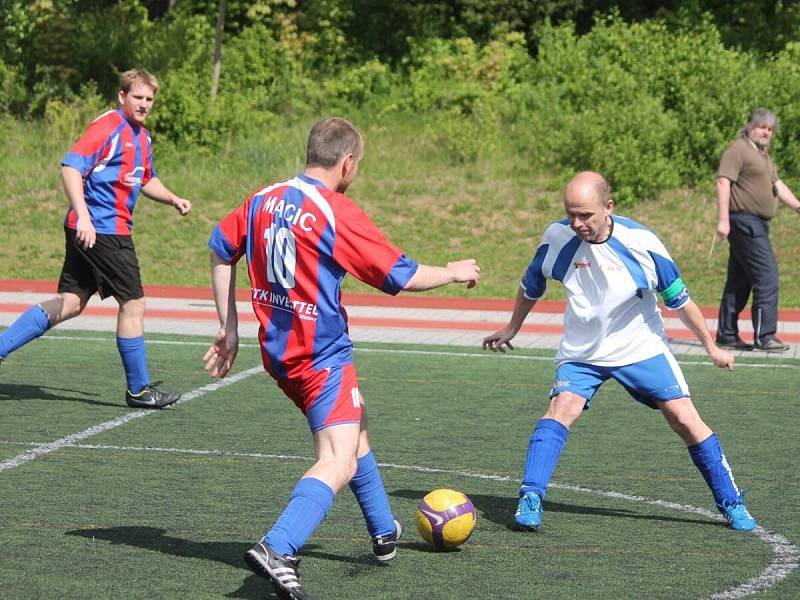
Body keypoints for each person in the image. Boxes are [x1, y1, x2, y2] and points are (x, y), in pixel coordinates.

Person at [203, 117, 480, 600]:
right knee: (336, 458)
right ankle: (280, 546)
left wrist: (228, 326)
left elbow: (219, 247)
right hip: (320, 354)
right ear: (347, 162)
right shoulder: (335, 211)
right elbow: (399, 275)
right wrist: (454, 271)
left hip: (279, 355)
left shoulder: (261, 199)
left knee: (356, 428)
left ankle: (382, 531)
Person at [482, 171, 757, 536]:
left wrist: (711, 346)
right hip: (583, 352)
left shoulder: (642, 243)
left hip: (639, 346)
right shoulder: (557, 238)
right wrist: (512, 326)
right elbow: (531, 284)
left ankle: (731, 501)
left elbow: (681, 301)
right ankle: (530, 497)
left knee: (685, 419)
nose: (576, 223)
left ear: (608, 207)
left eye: (585, 215)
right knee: (561, 408)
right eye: (570, 214)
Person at [0, 68, 191, 408]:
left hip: (94, 229)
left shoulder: (142, 136)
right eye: (138, 97)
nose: (144, 104)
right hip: (103, 230)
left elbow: (145, 180)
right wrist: (85, 217)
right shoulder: (108, 126)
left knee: (71, 303)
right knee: (133, 303)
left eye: (149, 99)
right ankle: (139, 390)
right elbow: (71, 167)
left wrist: (173, 198)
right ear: (122, 96)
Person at [715, 108, 800, 352]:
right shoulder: (738, 149)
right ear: (750, 127)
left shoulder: (763, 155)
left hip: (757, 223)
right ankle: (765, 336)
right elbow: (723, 181)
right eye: (762, 127)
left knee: (739, 281)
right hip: (744, 221)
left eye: (770, 129)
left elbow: (777, 184)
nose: (766, 132)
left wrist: (798, 206)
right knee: (767, 276)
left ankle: (727, 334)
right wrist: (723, 220)